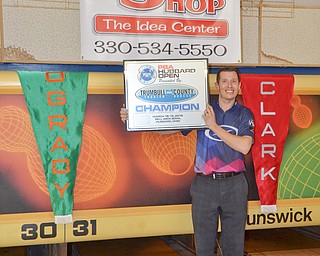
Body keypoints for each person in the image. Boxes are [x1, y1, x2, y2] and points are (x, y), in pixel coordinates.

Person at [120, 67, 254, 256]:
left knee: (234, 248)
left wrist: (213, 126)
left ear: (239, 86)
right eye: (224, 81)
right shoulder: (203, 109)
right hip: (205, 184)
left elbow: (244, 146)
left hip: (235, 185)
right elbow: (169, 128)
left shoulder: (244, 114)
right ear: (217, 85)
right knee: (204, 247)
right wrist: (134, 119)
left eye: (233, 81)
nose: (229, 86)